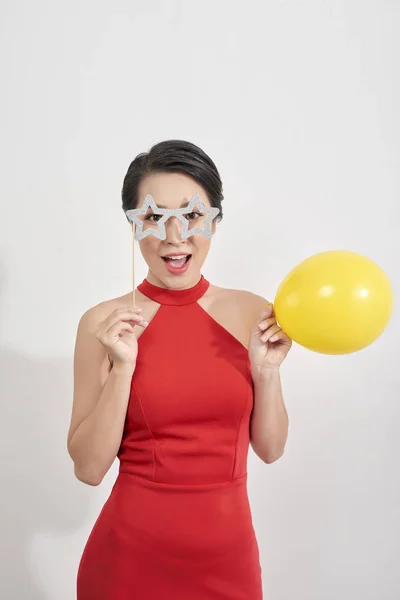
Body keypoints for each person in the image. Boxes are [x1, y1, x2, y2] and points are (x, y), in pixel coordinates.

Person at [67, 139, 292, 600]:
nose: (174, 235)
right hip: (127, 564)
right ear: (133, 225)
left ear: (215, 221)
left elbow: (270, 450)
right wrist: (124, 369)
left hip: (228, 564)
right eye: (153, 216)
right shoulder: (102, 324)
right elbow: (89, 469)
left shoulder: (253, 312)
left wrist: (265, 373)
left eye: (191, 215)